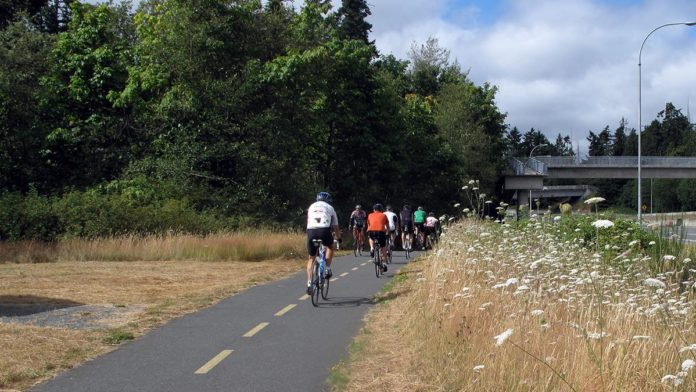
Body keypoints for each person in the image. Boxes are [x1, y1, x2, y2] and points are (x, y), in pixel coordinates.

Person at [305, 192, 340, 295]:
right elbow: (336, 227)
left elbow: (308, 221)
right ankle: (328, 269)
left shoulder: (311, 206)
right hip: (324, 231)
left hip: (311, 231)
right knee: (330, 247)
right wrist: (338, 238)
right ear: (328, 200)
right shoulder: (330, 207)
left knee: (311, 258)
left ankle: (309, 283)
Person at [367, 203, 389, 272]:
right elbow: (387, 227)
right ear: (381, 209)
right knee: (383, 248)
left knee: (370, 238)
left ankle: (372, 248)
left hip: (371, 231)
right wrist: (387, 234)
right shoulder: (384, 215)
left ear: (374, 209)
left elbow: (369, 225)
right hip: (381, 232)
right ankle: (384, 263)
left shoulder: (370, 215)